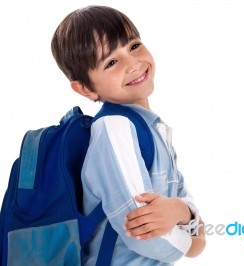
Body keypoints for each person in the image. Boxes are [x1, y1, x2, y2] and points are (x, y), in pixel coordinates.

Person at [51, 5, 205, 265]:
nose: (133, 64)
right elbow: (144, 234)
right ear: (85, 88)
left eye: (133, 46)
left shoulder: (155, 129)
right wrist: (193, 236)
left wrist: (181, 211)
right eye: (111, 62)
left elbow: (187, 204)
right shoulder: (114, 129)